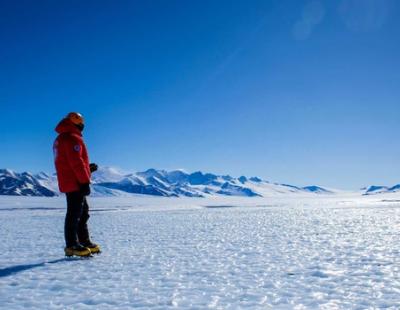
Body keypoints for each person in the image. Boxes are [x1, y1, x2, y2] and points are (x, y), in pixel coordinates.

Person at [53, 112, 100, 257]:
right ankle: (72, 244)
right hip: (75, 182)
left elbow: (69, 162)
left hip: (71, 180)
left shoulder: (62, 138)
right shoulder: (72, 138)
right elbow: (76, 162)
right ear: (77, 123)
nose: (83, 126)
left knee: (82, 212)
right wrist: (84, 180)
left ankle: (84, 241)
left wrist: (87, 168)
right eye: (81, 123)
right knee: (75, 213)